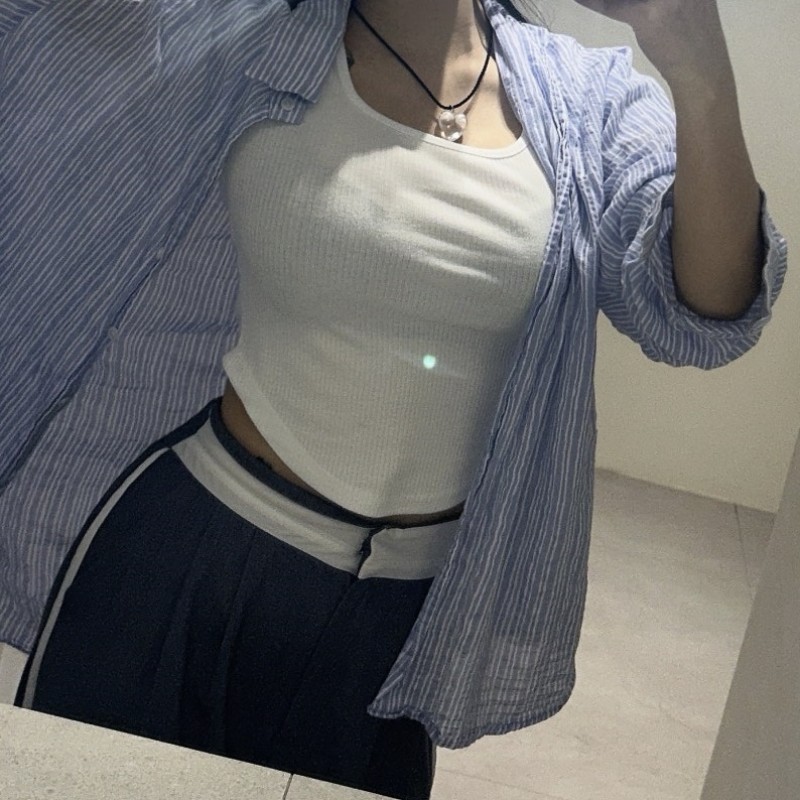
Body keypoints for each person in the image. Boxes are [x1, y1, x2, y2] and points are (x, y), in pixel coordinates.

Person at [0, 0, 789, 798]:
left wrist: (696, 62)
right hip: (190, 552)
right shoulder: (248, 35)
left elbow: (702, 312)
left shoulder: (584, 103)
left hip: (398, 616)